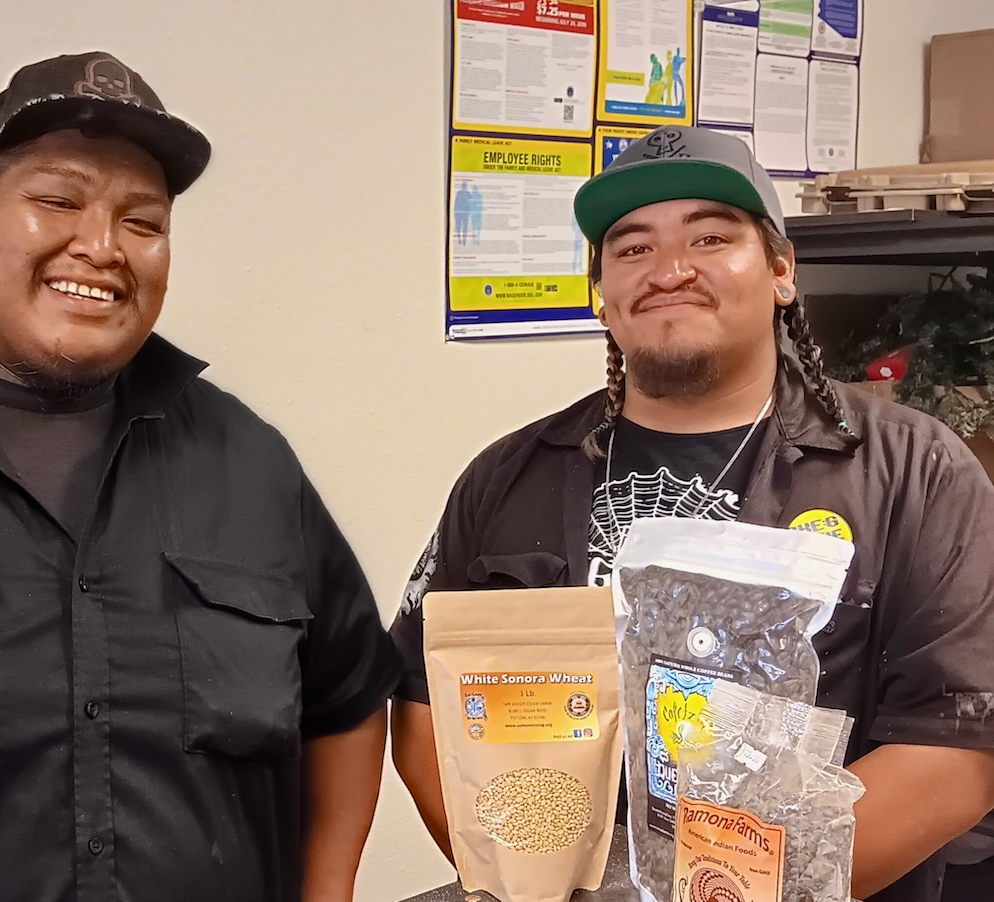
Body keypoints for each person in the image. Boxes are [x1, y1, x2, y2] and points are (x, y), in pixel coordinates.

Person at [0, 51, 401, 902]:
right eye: (58, 200)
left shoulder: (247, 458)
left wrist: (326, 888)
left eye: (144, 222)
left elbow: (346, 695)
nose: (104, 246)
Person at [388, 125, 994, 902]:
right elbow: (422, 704)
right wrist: (524, 876)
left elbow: (956, 750)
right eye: (632, 248)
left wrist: (743, 891)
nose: (670, 270)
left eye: (710, 236)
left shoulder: (916, 472)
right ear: (601, 295)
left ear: (781, 272)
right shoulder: (508, 477)